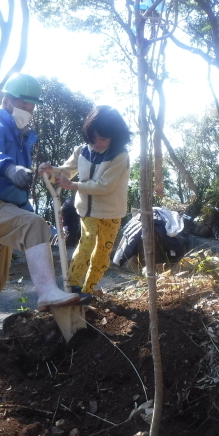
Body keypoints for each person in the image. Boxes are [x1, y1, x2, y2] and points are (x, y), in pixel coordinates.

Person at [0, 73, 81, 330]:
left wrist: (48, 227)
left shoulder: (23, 137)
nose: (27, 110)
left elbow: (19, 198)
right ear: (7, 101)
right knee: (34, 225)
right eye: (23, 104)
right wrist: (9, 169)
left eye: (31, 106)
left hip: (8, 209)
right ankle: (47, 292)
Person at [38, 106, 131, 297]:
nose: (97, 143)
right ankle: (73, 285)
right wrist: (51, 170)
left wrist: (73, 185)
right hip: (87, 211)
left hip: (111, 213)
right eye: (93, 138)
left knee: (102, 255)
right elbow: (65, 171)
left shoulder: (120, 156)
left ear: (115, 135)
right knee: (87, 241)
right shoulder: (82, 151)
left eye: (103, 138)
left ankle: (88, 290)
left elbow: (106, 185)